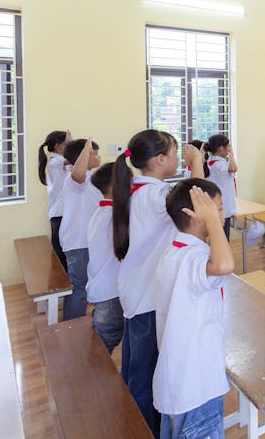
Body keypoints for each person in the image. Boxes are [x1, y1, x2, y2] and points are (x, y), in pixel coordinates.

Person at [114, 129, 203, 433]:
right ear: (159, 159)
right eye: (175, 153)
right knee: (145, 375)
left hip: (135, 292)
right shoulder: (155, 196)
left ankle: (132, 420)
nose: (178, 158)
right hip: (147, 299)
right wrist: (198, 162)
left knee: (135, 368)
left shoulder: (139, 190)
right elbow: (200, 202)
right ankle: (142, 429)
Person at [153, 180, 235, 439]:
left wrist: (210, 218)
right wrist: (213, 221)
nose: (222, 215)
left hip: (179, 380)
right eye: (218, 209)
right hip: (196, 386)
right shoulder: (193, 258)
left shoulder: (177, 251)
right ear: (197, 218)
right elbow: (223, 265)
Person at [59, 138, 102, 321]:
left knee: (84, 286)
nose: (98, 157)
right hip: (79, 242)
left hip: (87, 241)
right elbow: (78, 173)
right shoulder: (75, 179)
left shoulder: (90, 178)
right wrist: (86, 148)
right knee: (79, 288)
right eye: (94, 153)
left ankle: (76, 324)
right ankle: (72, 327)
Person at [85, 163, 122, 353]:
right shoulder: (112, 217)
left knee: (101, 348)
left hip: (103, 293)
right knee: (101, 353)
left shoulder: (101, 213)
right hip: (111, 295)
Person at [38, 129, 71, 267]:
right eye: (68, 144)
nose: (71, 147)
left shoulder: (58, 161)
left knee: (64, 252)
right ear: (58, 146)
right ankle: (64, 286)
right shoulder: (56, 161)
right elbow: (72, 159)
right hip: (59, 214)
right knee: (62, 254)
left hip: (62, 213)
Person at [204, 134, 238, 240]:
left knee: (217, 238)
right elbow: (233, 168)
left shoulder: (210, 162)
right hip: (223, 207)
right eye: (227, 146)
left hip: (216, 205)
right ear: (220, 148)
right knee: (223, 239)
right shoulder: (219, 164)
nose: (228, 149)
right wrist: (231, 154)